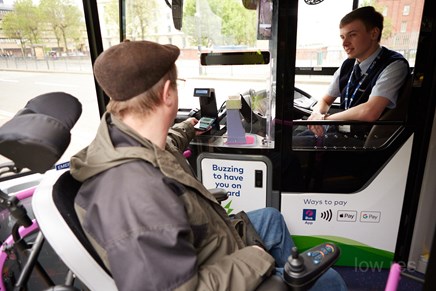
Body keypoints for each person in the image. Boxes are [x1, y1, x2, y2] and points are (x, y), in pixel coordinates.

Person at [70, 40, 347, 290]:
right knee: (330, 280)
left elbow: (170, 146)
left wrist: (190, 125)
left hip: (207, 239)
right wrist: (255, 260)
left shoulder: (131, 139)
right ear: (168, 93)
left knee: (271, 219)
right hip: (214, 264)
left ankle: (292, 279)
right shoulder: (134, 195)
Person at [294, 6, 410, 147]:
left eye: (352, 35)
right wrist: (317, 114)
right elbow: (325, 100)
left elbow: (370, 111)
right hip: (340, 131)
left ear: (373, 33)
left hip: (366, 142)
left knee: (288, 148)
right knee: (289, 138)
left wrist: (325, 119)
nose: (344, 43)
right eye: (342, 37)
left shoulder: (394, 65)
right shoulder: (348, 65)